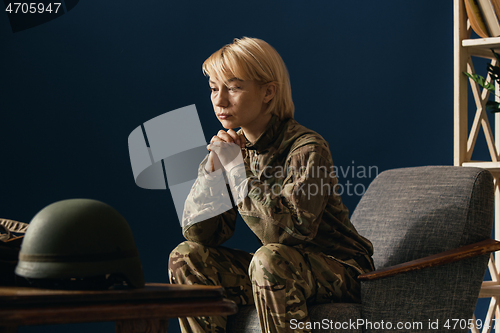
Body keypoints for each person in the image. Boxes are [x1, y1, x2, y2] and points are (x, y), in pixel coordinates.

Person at [168, 37, 374, 333]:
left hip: (342, 270)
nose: (220, 100)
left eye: (234, 87)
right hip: (282, 266)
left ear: (268, 92)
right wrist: (214, 172)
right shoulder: (232, 149)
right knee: (186, 256)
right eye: (214, 88)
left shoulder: (307, 148)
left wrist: (237, 171)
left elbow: (289, 233)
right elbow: (200, 233)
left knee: (270, 259)